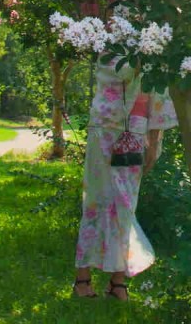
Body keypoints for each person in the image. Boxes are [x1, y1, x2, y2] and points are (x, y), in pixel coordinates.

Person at [72, 54, 177, 300]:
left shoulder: (155, 41)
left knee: (126, 205)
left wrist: (155, 138)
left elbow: (159, 88)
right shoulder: (109, 41)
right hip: (104, 128)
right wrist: (140, 60)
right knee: (95, 203)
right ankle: (82, 279)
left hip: (137, 130)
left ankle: (117, 282)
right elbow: (113, 71)